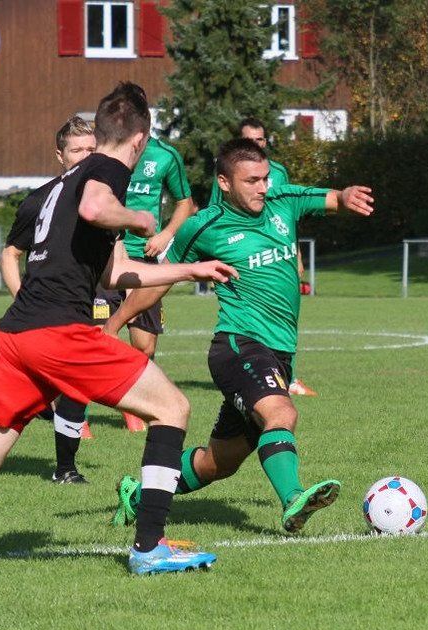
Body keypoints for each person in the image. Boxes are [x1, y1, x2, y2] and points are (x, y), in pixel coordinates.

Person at [0, 82, 236, 574]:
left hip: (16, 337)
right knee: (173, 408)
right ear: (140, 139)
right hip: (58, 333)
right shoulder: (107, 169)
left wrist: (190, 270)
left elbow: (115, 274)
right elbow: (96, 209)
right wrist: (139, 217)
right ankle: (150, 547)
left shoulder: (57, 186)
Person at [103, 138, 375, 533]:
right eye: (251, 181)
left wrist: (346, 197)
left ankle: (138, 495)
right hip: (238, 345)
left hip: (280, 352)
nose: (263, 187)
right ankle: (293, 499)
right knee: (282, 414)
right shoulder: (203, 226)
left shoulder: (284, 200)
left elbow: (332, 198)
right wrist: (113, 325)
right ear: (225, 183)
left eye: (265, 178)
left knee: (218, 463)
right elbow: (159, 280)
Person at [0, 115, 97, 484]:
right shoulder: (39, 200)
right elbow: (10, 254)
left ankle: (62, 460)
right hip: (46, 310)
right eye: (77, 150)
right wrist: (23, 299)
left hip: (86, 301)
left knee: (75, 384)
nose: (85, 157)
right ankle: (65, 468)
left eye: (91, 150)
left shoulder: (102, 198)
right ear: (60, 155)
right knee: (75, 382)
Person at [96, 95, 197, 432]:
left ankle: (132, 400)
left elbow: (185, 203)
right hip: (107, 255)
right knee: (98, 336)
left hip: (146, 258)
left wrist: (165, 234)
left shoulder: (166, 156)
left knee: (145, 344)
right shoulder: (107, 151)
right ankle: (75, 416)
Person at [214, 116, 317, 397]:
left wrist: (296, 255)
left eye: (260, 139)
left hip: (277, 254)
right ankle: (252, 371)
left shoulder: (279, 172)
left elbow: (287, 217)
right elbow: (216, 213)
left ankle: (287, 376)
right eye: (250, 140)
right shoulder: (226, 174)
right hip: (241, 256)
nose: (262, 187)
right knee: (249, 320)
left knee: (284, 311)